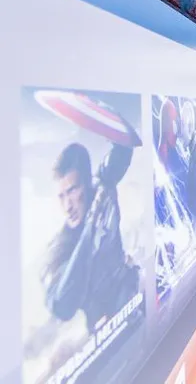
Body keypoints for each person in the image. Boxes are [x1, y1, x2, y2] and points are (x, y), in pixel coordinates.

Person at [43, 141, 141, 333]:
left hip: (135, 297)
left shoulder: (102, 190)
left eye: (72, 191)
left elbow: (124, 147)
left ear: (86, 184)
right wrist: (89, 230)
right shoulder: (61, 248)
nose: (67, 206)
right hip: (108, 332)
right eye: (61, 196)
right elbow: (62, 306)